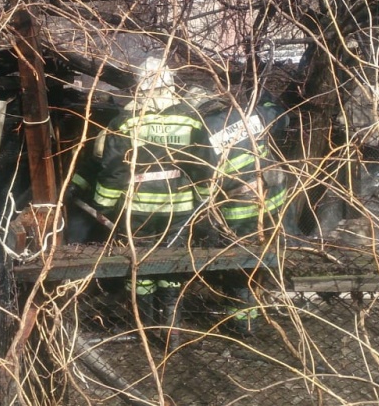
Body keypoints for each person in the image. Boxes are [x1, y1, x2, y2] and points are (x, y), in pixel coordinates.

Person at [90, 56, 204, 351]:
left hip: (138, 209)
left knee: (139, 266)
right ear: (172, 84)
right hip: (179, 208)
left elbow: (113, 169)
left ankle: (142, 326)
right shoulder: (191, 118)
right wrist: (204, 197)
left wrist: (104, 205)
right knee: (172, 263)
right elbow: (204, 163)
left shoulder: (126, 121)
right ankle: (171, 329)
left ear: (139, 85)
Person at [188, 88, 291, 336]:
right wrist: (267, 100)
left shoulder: (205, 131)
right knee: (265, 258)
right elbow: (282, 117)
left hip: (240, 211)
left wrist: (204, 210)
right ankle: (257, 308)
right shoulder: (250, 114)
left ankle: (243, 324)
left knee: (240, 267)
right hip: (274, 202)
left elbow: (204, 180)